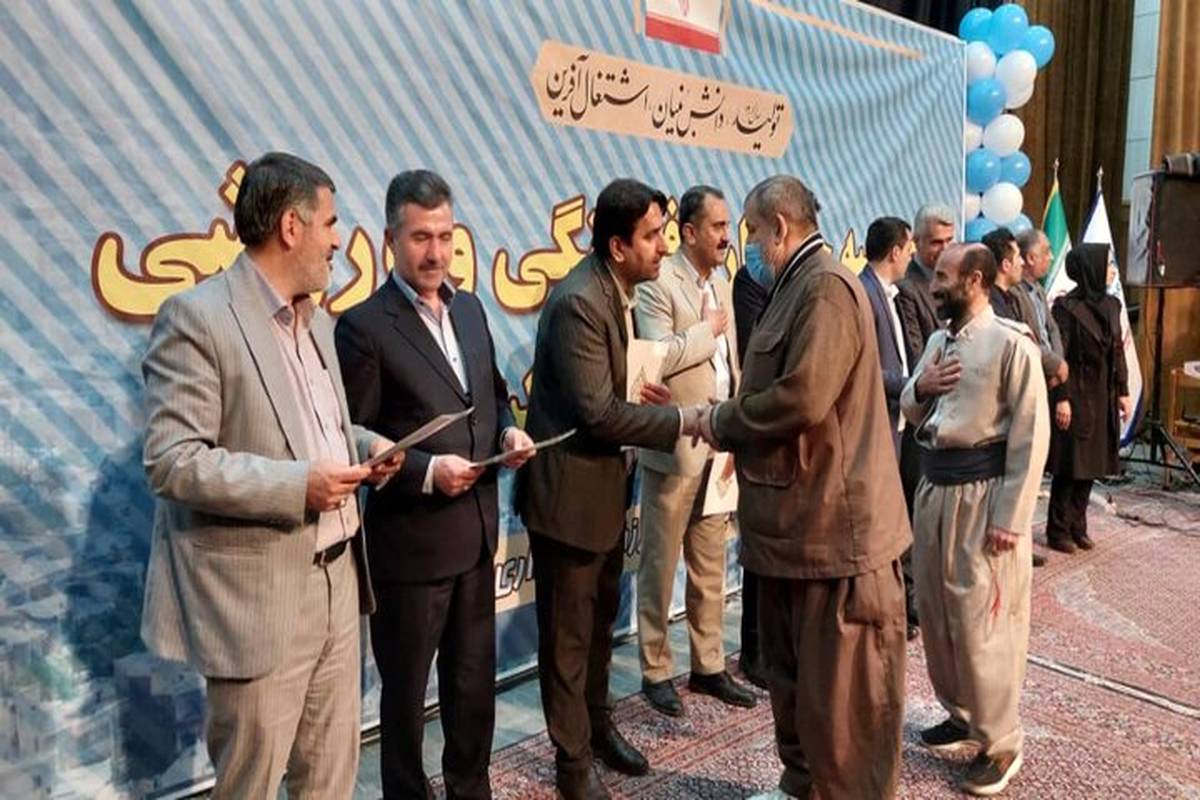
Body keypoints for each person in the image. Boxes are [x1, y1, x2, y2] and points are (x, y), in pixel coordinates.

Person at [139, 152, 403, 799]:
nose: (339, 240)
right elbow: (174, 460)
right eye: (330, 223)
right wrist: (297, 487)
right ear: (291, 226)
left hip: (341, 582)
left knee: (331, 778)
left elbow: (308, 430)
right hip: (260, 601)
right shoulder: (198, 317)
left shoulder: (317, 321)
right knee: (250, 785)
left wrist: (366, 446)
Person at [697, 176, 910, 800]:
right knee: (796, 693)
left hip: (836, 538)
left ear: (780, 227)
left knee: (844, 713)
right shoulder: (793, 287)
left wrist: (720, 421)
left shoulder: (825, 289)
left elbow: (804, 397)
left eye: (752, 231)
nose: (747, 245)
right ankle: (802, 786)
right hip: (795, 531)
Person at [335, 170, 534, 799]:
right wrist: (425, 473)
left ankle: (470, 789)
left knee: (472, 689)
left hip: (476, 539)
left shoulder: (470, 308)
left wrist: (509, 434)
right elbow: (353, 437)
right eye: (421, 237)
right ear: (391, 239)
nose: (436, 252)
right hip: (411, 549)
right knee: (404, 701)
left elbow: (493, 397)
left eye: (446, 236)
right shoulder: (363, 326)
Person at [516, 178, 707, 800]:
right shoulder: (579, 301)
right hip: (568, 501)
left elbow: (602, 396)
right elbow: (597, 415)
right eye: (652, 236)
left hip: (601, 493)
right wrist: (680, 419)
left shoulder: (615, 290)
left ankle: (597, 730)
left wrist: (640, 395)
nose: (663, 247)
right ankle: (572, 765)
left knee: (599, 630)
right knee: (569, 643)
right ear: (618, 246)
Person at [901, 243, 1049, 797]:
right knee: (939, 613)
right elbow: (912, 407)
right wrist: (922, 387)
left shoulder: (1013, 345)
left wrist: (1012, 517)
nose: (933, 285)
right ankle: (962, 713)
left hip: (984, 500)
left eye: (943, 276)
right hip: (935, 491)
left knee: (984, 620)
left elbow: (1031, 436)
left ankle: (1001, 741)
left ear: (976, 281)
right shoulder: (938, 342)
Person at [633, 185, 756, 717]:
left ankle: (708, 665)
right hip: (676, 447)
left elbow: (731, 365)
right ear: (688, 232)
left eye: (729, 227)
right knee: (660, 566)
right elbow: (656, 357)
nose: (728, 237)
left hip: (720, 445)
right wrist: (706, 331)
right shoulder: (659, 282)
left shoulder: (723, 282)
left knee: (710, 565)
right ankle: (655, 669)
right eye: (718, 227)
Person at [1045, 243, 1132, 553]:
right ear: (1090, 268)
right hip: (1076, 392)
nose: (1111, 271)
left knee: (1093, 463)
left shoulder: (1112, 305)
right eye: (1107, 265)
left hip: (1103, 393)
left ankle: (1077, 526)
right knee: (1071, 464)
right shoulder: (1065, 308)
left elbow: (1117, 350)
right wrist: (1062, 397)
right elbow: (1059, 356)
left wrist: (1123, 391)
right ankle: (1058, 530)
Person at [859, 216, 920, 641]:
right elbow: (864, 368)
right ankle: (873, 613)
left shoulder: (892, 294)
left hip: (897, 423)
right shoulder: (863, 292)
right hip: (875, 423)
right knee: (874, 527)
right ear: (896, 250)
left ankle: (890, 606)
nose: (912, 254)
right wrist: (912, 385)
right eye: (909, 246)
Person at [894, 204, 955, 518]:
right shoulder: (906, 287)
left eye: (949, 241)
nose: (944, 249)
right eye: (936, 242)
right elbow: (918, 358)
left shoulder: (955, 282)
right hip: (921, 411)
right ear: (915, 241)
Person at [731, 242, 770, 690]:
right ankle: (753, 651)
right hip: (752, 426)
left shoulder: (801, 285)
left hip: (778, 434)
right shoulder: (750, 281)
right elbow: (754, 352)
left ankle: (770, 646)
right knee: (758, 549)